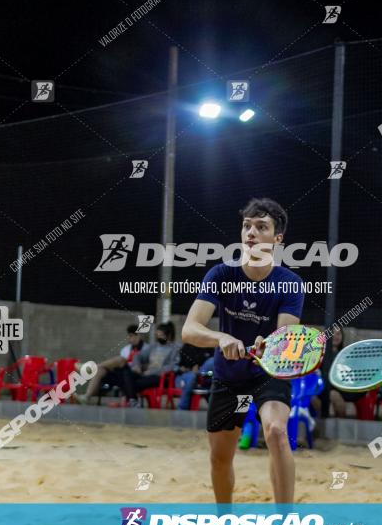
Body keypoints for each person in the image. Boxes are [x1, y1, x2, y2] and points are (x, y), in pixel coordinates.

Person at [182, 197, 303, 505]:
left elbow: (285, 338)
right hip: (229, 375)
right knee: (220, 456)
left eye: (261, 227)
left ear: (277, 239)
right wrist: (221, 338)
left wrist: (270, 345)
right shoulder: (221, 275)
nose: (251, 232)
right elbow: (190, 329)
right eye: (247, 226)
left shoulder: (290, 283)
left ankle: (284, 522)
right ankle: (225, 519)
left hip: (268, 373)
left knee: (276, 432)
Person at [77, 324, 147, 404]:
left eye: (132, 336)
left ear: (139, 336)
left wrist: (141, 367)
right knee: (100, 370)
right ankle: (86, 397)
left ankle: (91, 367)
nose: (130, 339)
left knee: (121, 359)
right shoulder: (126, 349)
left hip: (134, 374)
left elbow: (148, 365)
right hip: (120, 374)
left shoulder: (147, 349)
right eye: (129, 336)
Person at [121, 321, 181, 406]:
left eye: (161, 335)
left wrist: (152, 372)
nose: (158, 337)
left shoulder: (175, 348)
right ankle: (133, 400)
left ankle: (133, 401)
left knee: (130, 383)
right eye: (157, 335)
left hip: (161, 377)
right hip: (146, 374)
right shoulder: (153, 346)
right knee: (126, 373)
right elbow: (138, 355)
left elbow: (172, 366)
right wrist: (136, 365)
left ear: (168, 335)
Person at [320, 328, 366, 418]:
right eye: (333, 334)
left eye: (338, 334)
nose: (335, 337)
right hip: (324, 389)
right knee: (334, 395)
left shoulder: (346, 355)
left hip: (343, 389)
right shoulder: (319, 354)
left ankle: (339, 426)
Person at [174, 342, 214, 410]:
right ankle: (182, 408)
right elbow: (174, 366)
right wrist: (185, 369)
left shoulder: (208, 348)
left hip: (203, 375)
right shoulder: (185, 348)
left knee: (213, 364)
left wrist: (199, 370)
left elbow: (211, 371)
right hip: (184, 376)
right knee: (191, 377)